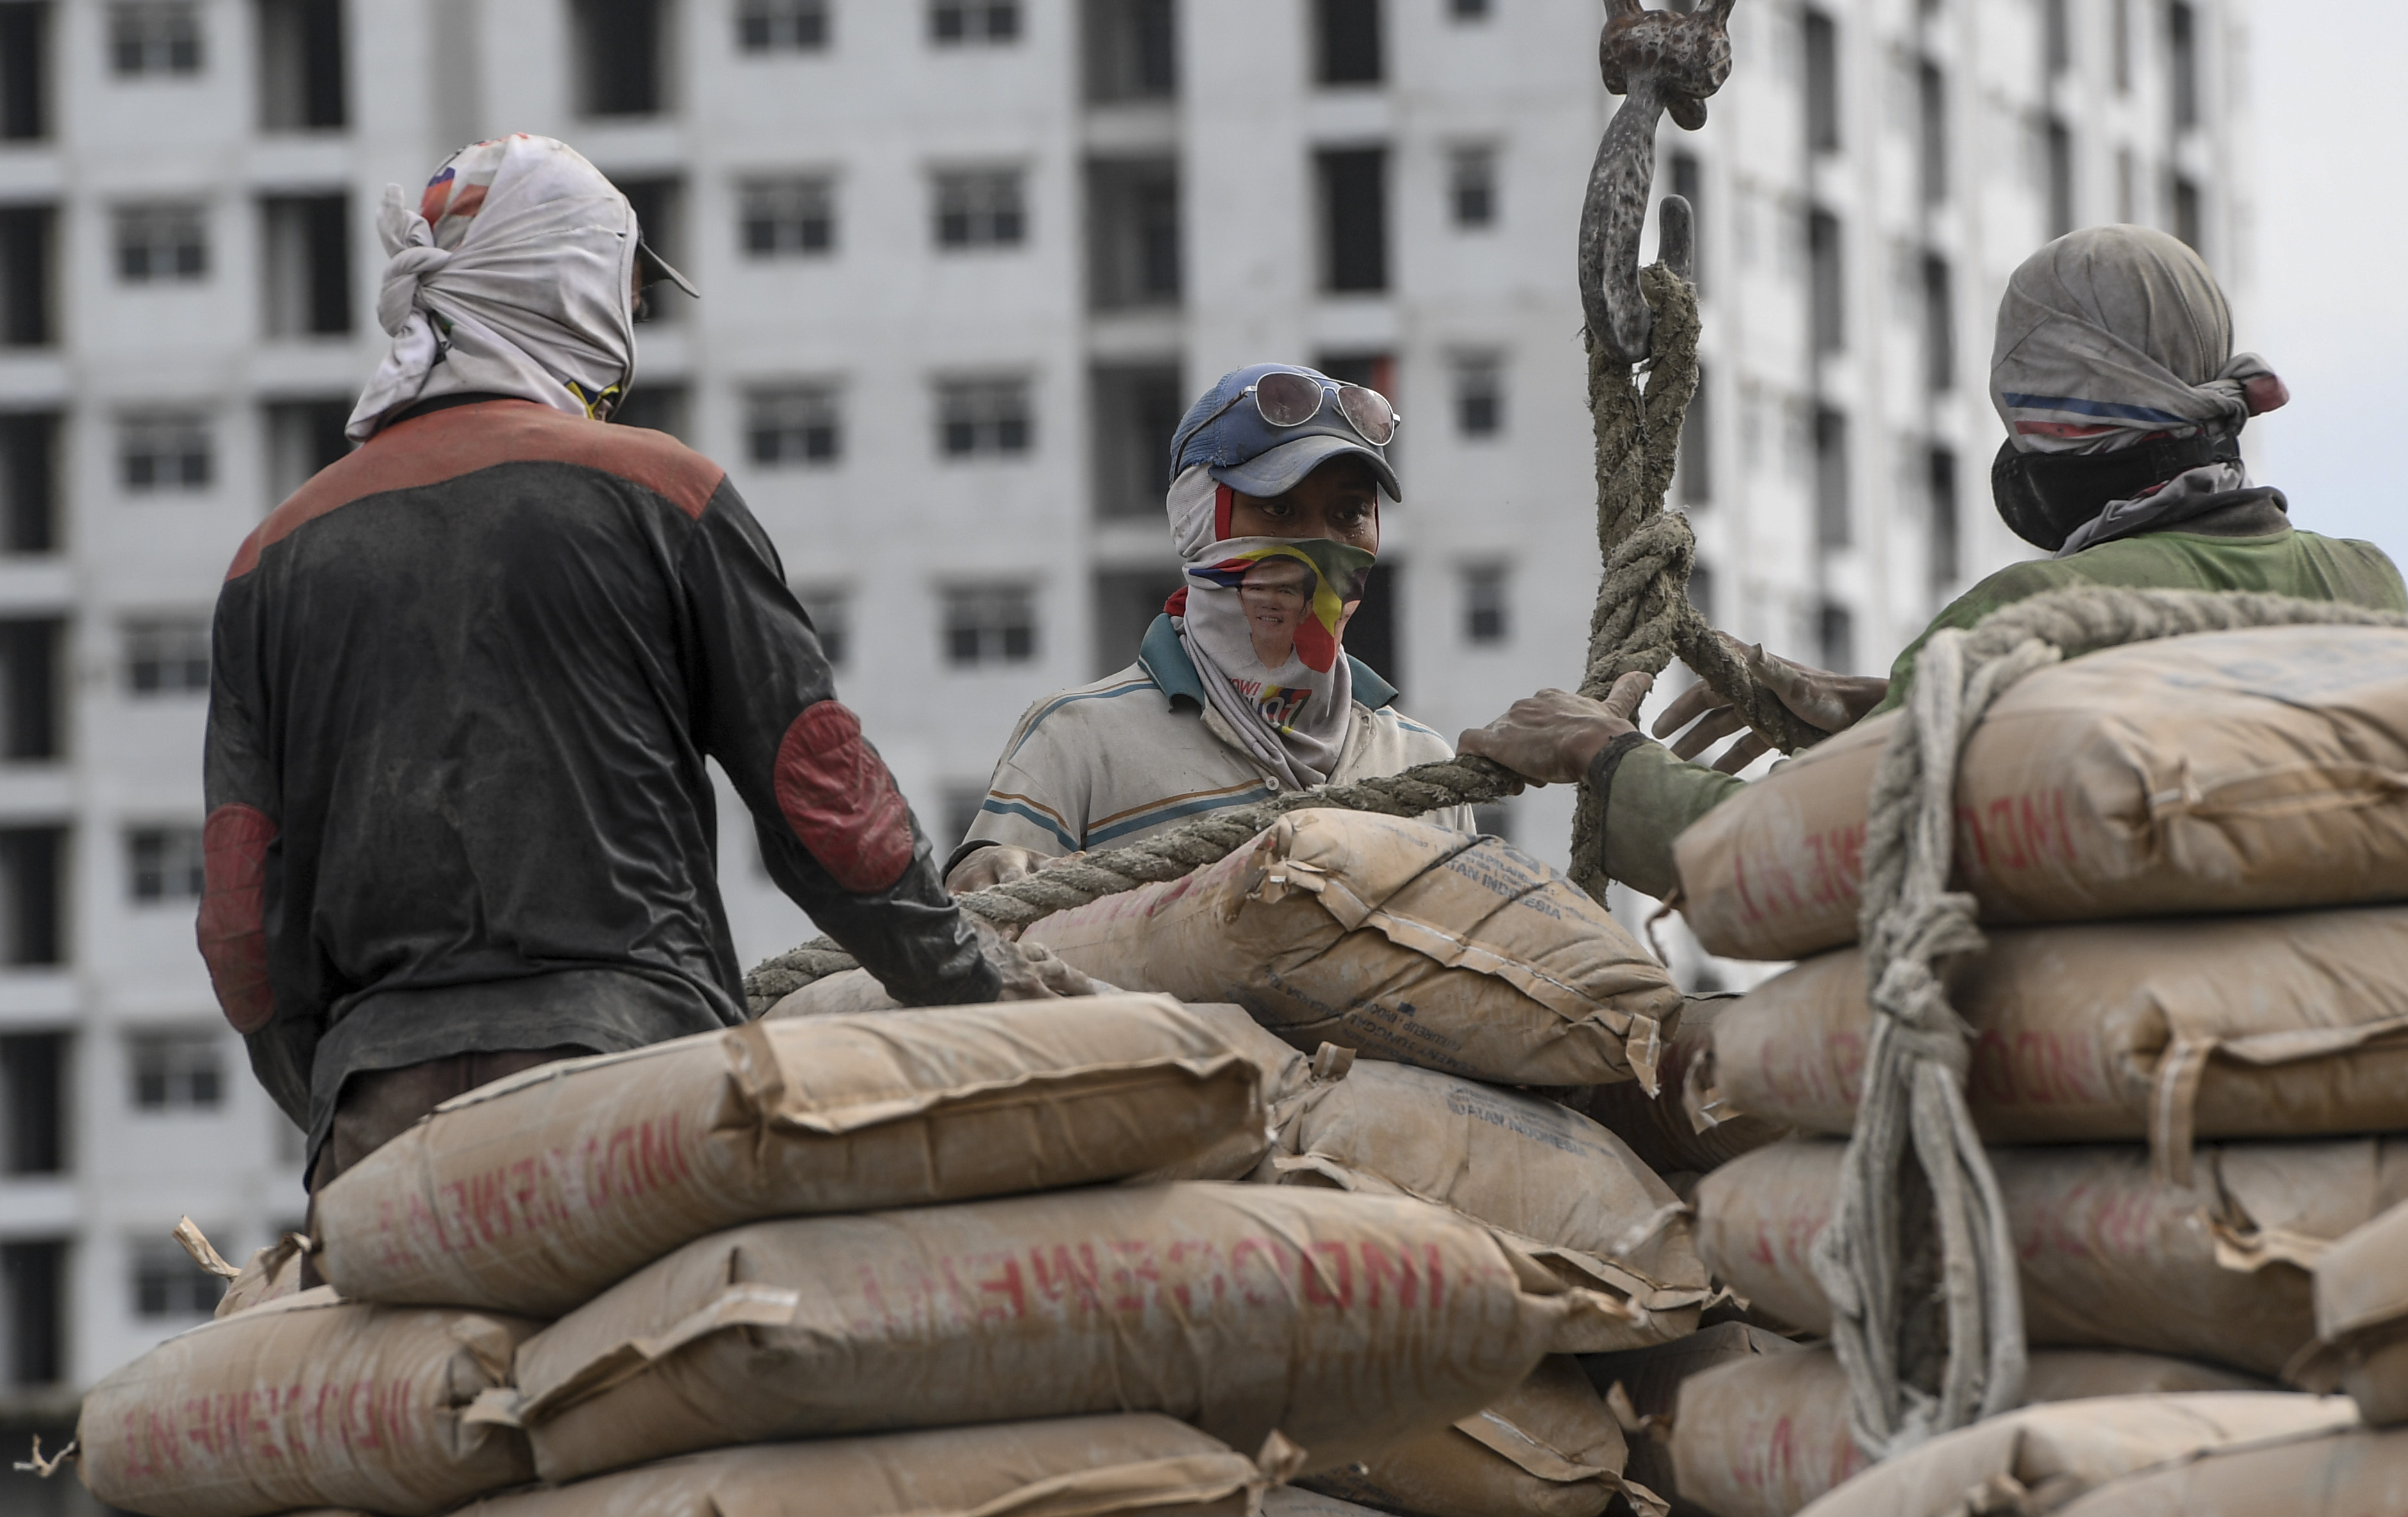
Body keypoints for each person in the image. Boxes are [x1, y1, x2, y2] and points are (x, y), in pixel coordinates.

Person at [198, 135, 1045, 1198]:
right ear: (572, 286)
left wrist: (336, 1093)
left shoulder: (270, 558)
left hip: (378, 1117)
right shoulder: (666, 495)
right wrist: (974, 986)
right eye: (627, 292)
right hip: (629, 1075)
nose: (632, 328)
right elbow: (825, 806)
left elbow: (238, 921)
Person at [1460, 224, 2408, 900]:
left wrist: (1603, 755)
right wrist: (1900, 716)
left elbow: (1798, 865)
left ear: (2049, 408)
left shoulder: (2020, 617)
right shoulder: (2364, 584)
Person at [947, 363, 1469, 893]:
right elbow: (990, 940)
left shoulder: (1421, 762)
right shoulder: (1077, 740)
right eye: (1280, 510)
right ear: (1197, 522)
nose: (1319, 546)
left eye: (1349, 513)